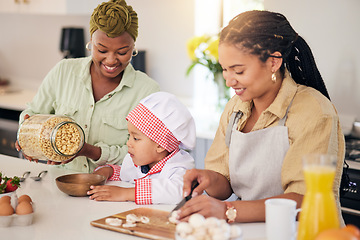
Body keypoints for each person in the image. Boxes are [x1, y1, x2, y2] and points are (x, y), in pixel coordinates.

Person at [178, 10, 345, 224]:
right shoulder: (235, 109)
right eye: (225, 70)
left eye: (238, 71)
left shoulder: (313, 110)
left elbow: (304, 201)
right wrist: (208, 178)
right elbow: (224, 184)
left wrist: (228, 210)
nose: (229, 81)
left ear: (274, 62)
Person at [16, 0, 160, 173]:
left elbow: (148, 155)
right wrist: (27, 135)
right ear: (91, 42)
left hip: (114, 191)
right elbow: (33, 112)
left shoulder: (148, 92)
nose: (111, 60)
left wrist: (90, 151)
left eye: (122, 52)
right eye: (102, 50)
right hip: (58, 182)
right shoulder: (64, 71)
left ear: (133, 47)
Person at [88, 92, 196, 204]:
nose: (128, 143)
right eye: (129, 136)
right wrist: (108, 171)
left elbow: (178, 191)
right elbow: (126, 174)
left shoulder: (179, 167)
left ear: (160, 145)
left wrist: (125, 193)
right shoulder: (139, 160)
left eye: (136, 138)